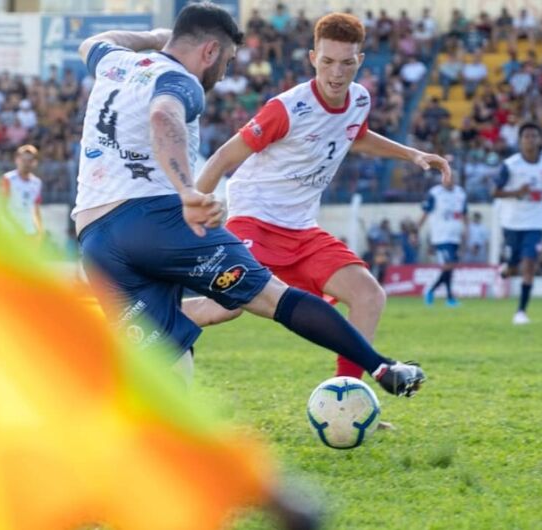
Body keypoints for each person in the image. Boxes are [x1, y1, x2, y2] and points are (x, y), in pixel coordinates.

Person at [71, 3, 424, 397]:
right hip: (151, 221)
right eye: (226, 60)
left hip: (94, 235)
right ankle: (382, 368)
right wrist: (188, 191)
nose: (223, 74)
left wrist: (155, 39)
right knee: (274, 298)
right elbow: (163, 117)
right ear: (208, 51)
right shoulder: (181, 82)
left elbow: (94, 42)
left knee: (163, 354)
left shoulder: (114, 63)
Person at [195, 12, 450, 381]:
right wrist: (186, 213)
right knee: (225, 308)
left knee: (369, 296)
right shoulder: (286, 108)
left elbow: (355, 135)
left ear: (359, 62)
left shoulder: (359, 99)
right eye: (327, 62)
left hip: (301, 229)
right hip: (255, 219)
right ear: (313, 58)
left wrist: (411, 154)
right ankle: (141, 326)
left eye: (347, 63)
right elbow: (223, 157)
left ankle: (347, 401)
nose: (336, 73)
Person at [493, 122, 542, 325]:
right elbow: (494, 192)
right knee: (512, 268)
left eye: (534, 136)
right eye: (526, 136)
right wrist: (517, 193)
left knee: (529, 265)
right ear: (520, 140)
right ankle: (505, 268)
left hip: (536, 222)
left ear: (540, 140)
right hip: (512, 221)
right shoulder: (510, 165)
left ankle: (521, 311)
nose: (530, 140)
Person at [418, 177, 468, 307]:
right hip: (441, 236)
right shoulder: (435, 193)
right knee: (448, 265)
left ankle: (445, 296)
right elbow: (426, 212)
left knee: (450, 267)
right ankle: (437, 293)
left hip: (455, 236)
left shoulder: (460, 193)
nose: (449, 180)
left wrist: (466, 230)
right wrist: (416, 229)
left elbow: (464, 213)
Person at [0, 144, 44, 240]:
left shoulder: (37, 182)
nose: (26, 163)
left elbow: (36, 208)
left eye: (30, 160)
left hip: (29, 231)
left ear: (34, 162)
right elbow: (2, 207)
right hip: (10, 231)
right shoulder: (8, 179)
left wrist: (40, 230)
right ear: (17, 160)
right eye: (23, 160)